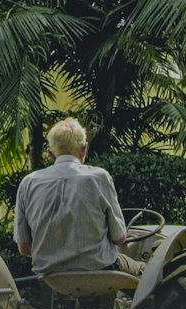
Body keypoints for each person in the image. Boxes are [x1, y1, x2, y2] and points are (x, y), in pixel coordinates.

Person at [14, 118, 146, 278]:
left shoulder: (28, 183)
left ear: (50, 154)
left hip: (50, 277)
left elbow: (24, 248)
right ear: (84, 149)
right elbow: (119, 238)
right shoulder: (99, 177)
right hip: (100, 271)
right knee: (147, 272)